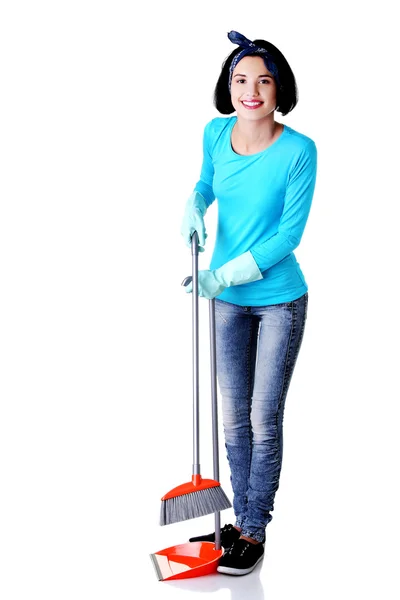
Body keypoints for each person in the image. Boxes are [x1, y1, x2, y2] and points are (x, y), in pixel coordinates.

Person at [181, 30, 317, 576]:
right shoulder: (215, 132)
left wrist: (224, 274)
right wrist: (193, 202)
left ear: (278, 87)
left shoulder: (299, 150)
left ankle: (254, 529)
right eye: (241, 80)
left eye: (263, 80)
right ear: (228, 87)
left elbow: (288, 237)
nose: (251, 90)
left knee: (263, 415)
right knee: (233, 419)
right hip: (225, 300)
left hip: (278, 300)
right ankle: (237, 523)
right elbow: (208, 182)